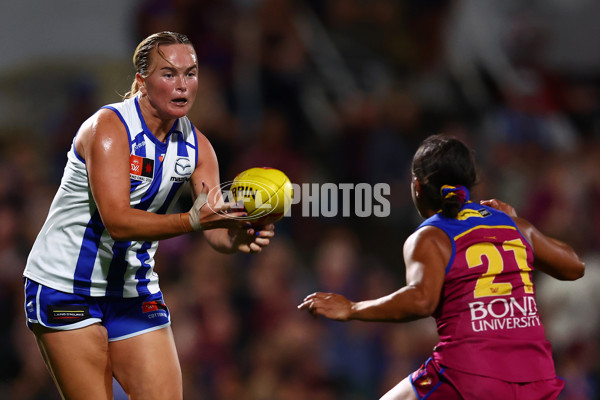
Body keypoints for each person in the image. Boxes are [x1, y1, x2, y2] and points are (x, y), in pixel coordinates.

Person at [23, 31, 274, 400]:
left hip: (132, 289)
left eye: (191, 73)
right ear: (141, 82)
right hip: (65, 286)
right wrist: (191, 221)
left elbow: (212, 225)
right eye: (169, 74)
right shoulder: (109, 129)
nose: (183, 85)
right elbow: (118, 221)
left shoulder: (198, 148)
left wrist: (237, 234)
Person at [298, 134, 584, 400]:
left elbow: (422, 300)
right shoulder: (513, 225)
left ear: (418, 187)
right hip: (536, 378)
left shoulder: (429, 237)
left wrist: (352, 309)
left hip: (469, 374)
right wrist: (517, 222)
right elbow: (574, 266)